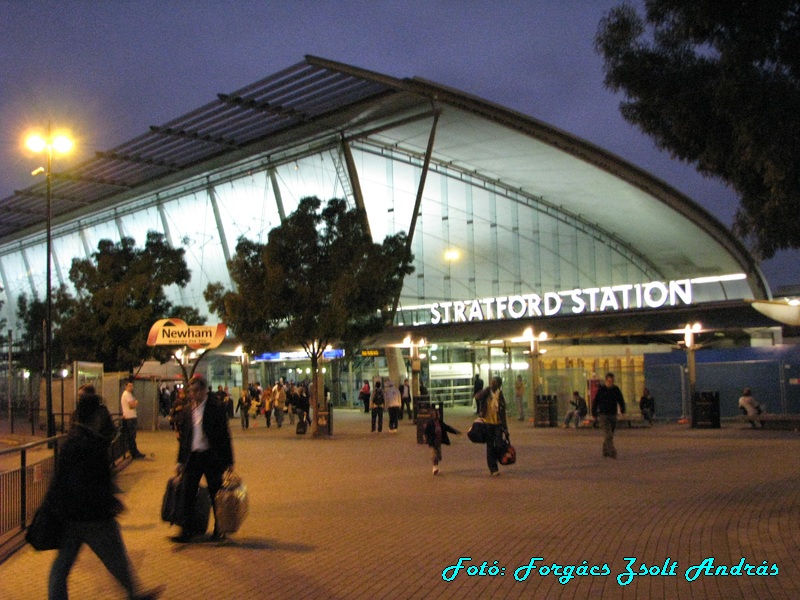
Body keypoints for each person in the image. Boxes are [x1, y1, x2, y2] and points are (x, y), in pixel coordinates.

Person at [48, 386, 164, 600]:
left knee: (61, 565)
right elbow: (97, 480)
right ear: (94, 416)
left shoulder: (72, 441)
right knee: (116, 558)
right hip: (95, 516)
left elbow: (60, 480)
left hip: (72, 515)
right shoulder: (91, 443)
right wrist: (110, 502)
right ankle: (134, 594)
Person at [172, 374, 234, 543]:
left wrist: (229, 462)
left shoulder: (216, 408)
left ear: (204, 390)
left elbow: (224, 436)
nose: (193, 394)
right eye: (190, 391)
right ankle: (186, 530)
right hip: (193, 457)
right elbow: (184, 439)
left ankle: (219, 529)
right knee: (187, 493)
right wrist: (180, 461)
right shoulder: (187, 410)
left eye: (196, 390)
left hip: (211, 457)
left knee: (216, 494)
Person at [474, 376, 508, 476]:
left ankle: (496, 460)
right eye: (492, 382)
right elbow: (477, 396)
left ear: (499, 385)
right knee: (489, 446)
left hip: (498, 423)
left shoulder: (500, 395)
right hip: (487, 423)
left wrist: (505, 427)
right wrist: (486, 390)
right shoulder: (486, 393)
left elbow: (503, 412)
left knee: (498, 444)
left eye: (495, 383)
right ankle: (493, 468)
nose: (493, 384)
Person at [591, 372, 626, 459]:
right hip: (603, 415)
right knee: (608, 434)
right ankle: (612, 452)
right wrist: (594, 413)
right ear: (606, 380)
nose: (611, 383)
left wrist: (623, 409)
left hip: (613, 414)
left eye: (612, 381)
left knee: (610, 434)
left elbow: (620, 400)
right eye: (609, 381)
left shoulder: (616, 389)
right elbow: (595, 402)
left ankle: (605, 450)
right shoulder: (601, 390)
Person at [423, 408, 460, 475]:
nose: (437, 416)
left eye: (438, 414)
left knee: (439, 456)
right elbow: (425, 431)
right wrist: (425, 437)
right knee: (434, 454)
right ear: (432, 415)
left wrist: (455, 431)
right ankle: (435, 467)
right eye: (436, 414)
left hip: (438, 441)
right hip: (432, 441)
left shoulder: (440, 422)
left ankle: (436, 465)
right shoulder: (429, 423)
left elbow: (447, 428)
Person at [120, 380, 146, 459]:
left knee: (132, 436)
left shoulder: (129, 394)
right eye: (129, 386)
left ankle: (134, 452)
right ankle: (134, 453)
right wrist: (136, 402)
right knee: (131, 436)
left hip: (130, 417)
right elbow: (132, 405)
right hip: (130, 417)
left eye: (132, 386)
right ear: (126, 386)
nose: (131, 387)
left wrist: (134, 402)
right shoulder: (127, 395)